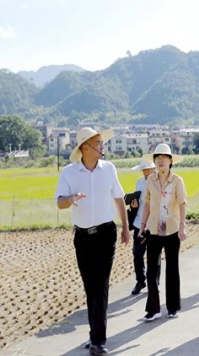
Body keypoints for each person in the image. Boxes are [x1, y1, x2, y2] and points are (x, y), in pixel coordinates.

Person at [54, 127, 130, 356]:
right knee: (91, 287)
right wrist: (71, 199)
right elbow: (60, 202)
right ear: (85, 147)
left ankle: (98, 340)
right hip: (83, 237)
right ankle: (94, 332)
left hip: (107, 234)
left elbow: (119, 198)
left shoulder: (109, 169)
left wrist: (126, 228)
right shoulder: (69, 173)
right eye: (98, 142)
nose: (102, 146)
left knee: (101, 284)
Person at [139, 143, 187, 321]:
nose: (160, 161)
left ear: (170, 161)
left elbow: (182, 204)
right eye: (157, 158)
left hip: (172, 229)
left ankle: (172, 307)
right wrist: (142, 226)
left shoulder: (177, 181)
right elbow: (147, 204)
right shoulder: (150, 181)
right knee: (151, 271)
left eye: (163, 158)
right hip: (153, 230)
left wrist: (182, 227)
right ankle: (153, 309)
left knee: (172, 269)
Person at [128, 159, 156, 295]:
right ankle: (141, 280)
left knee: (154, 255)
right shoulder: (139, 182)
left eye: (148, 169)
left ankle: (154, 281)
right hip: (139, 222)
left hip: (154, 223)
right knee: (137, 254)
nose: (145, 172)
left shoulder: (158, 180)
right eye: (143, 169)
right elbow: (138, 201)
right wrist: (134, 205)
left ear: (153, 169)